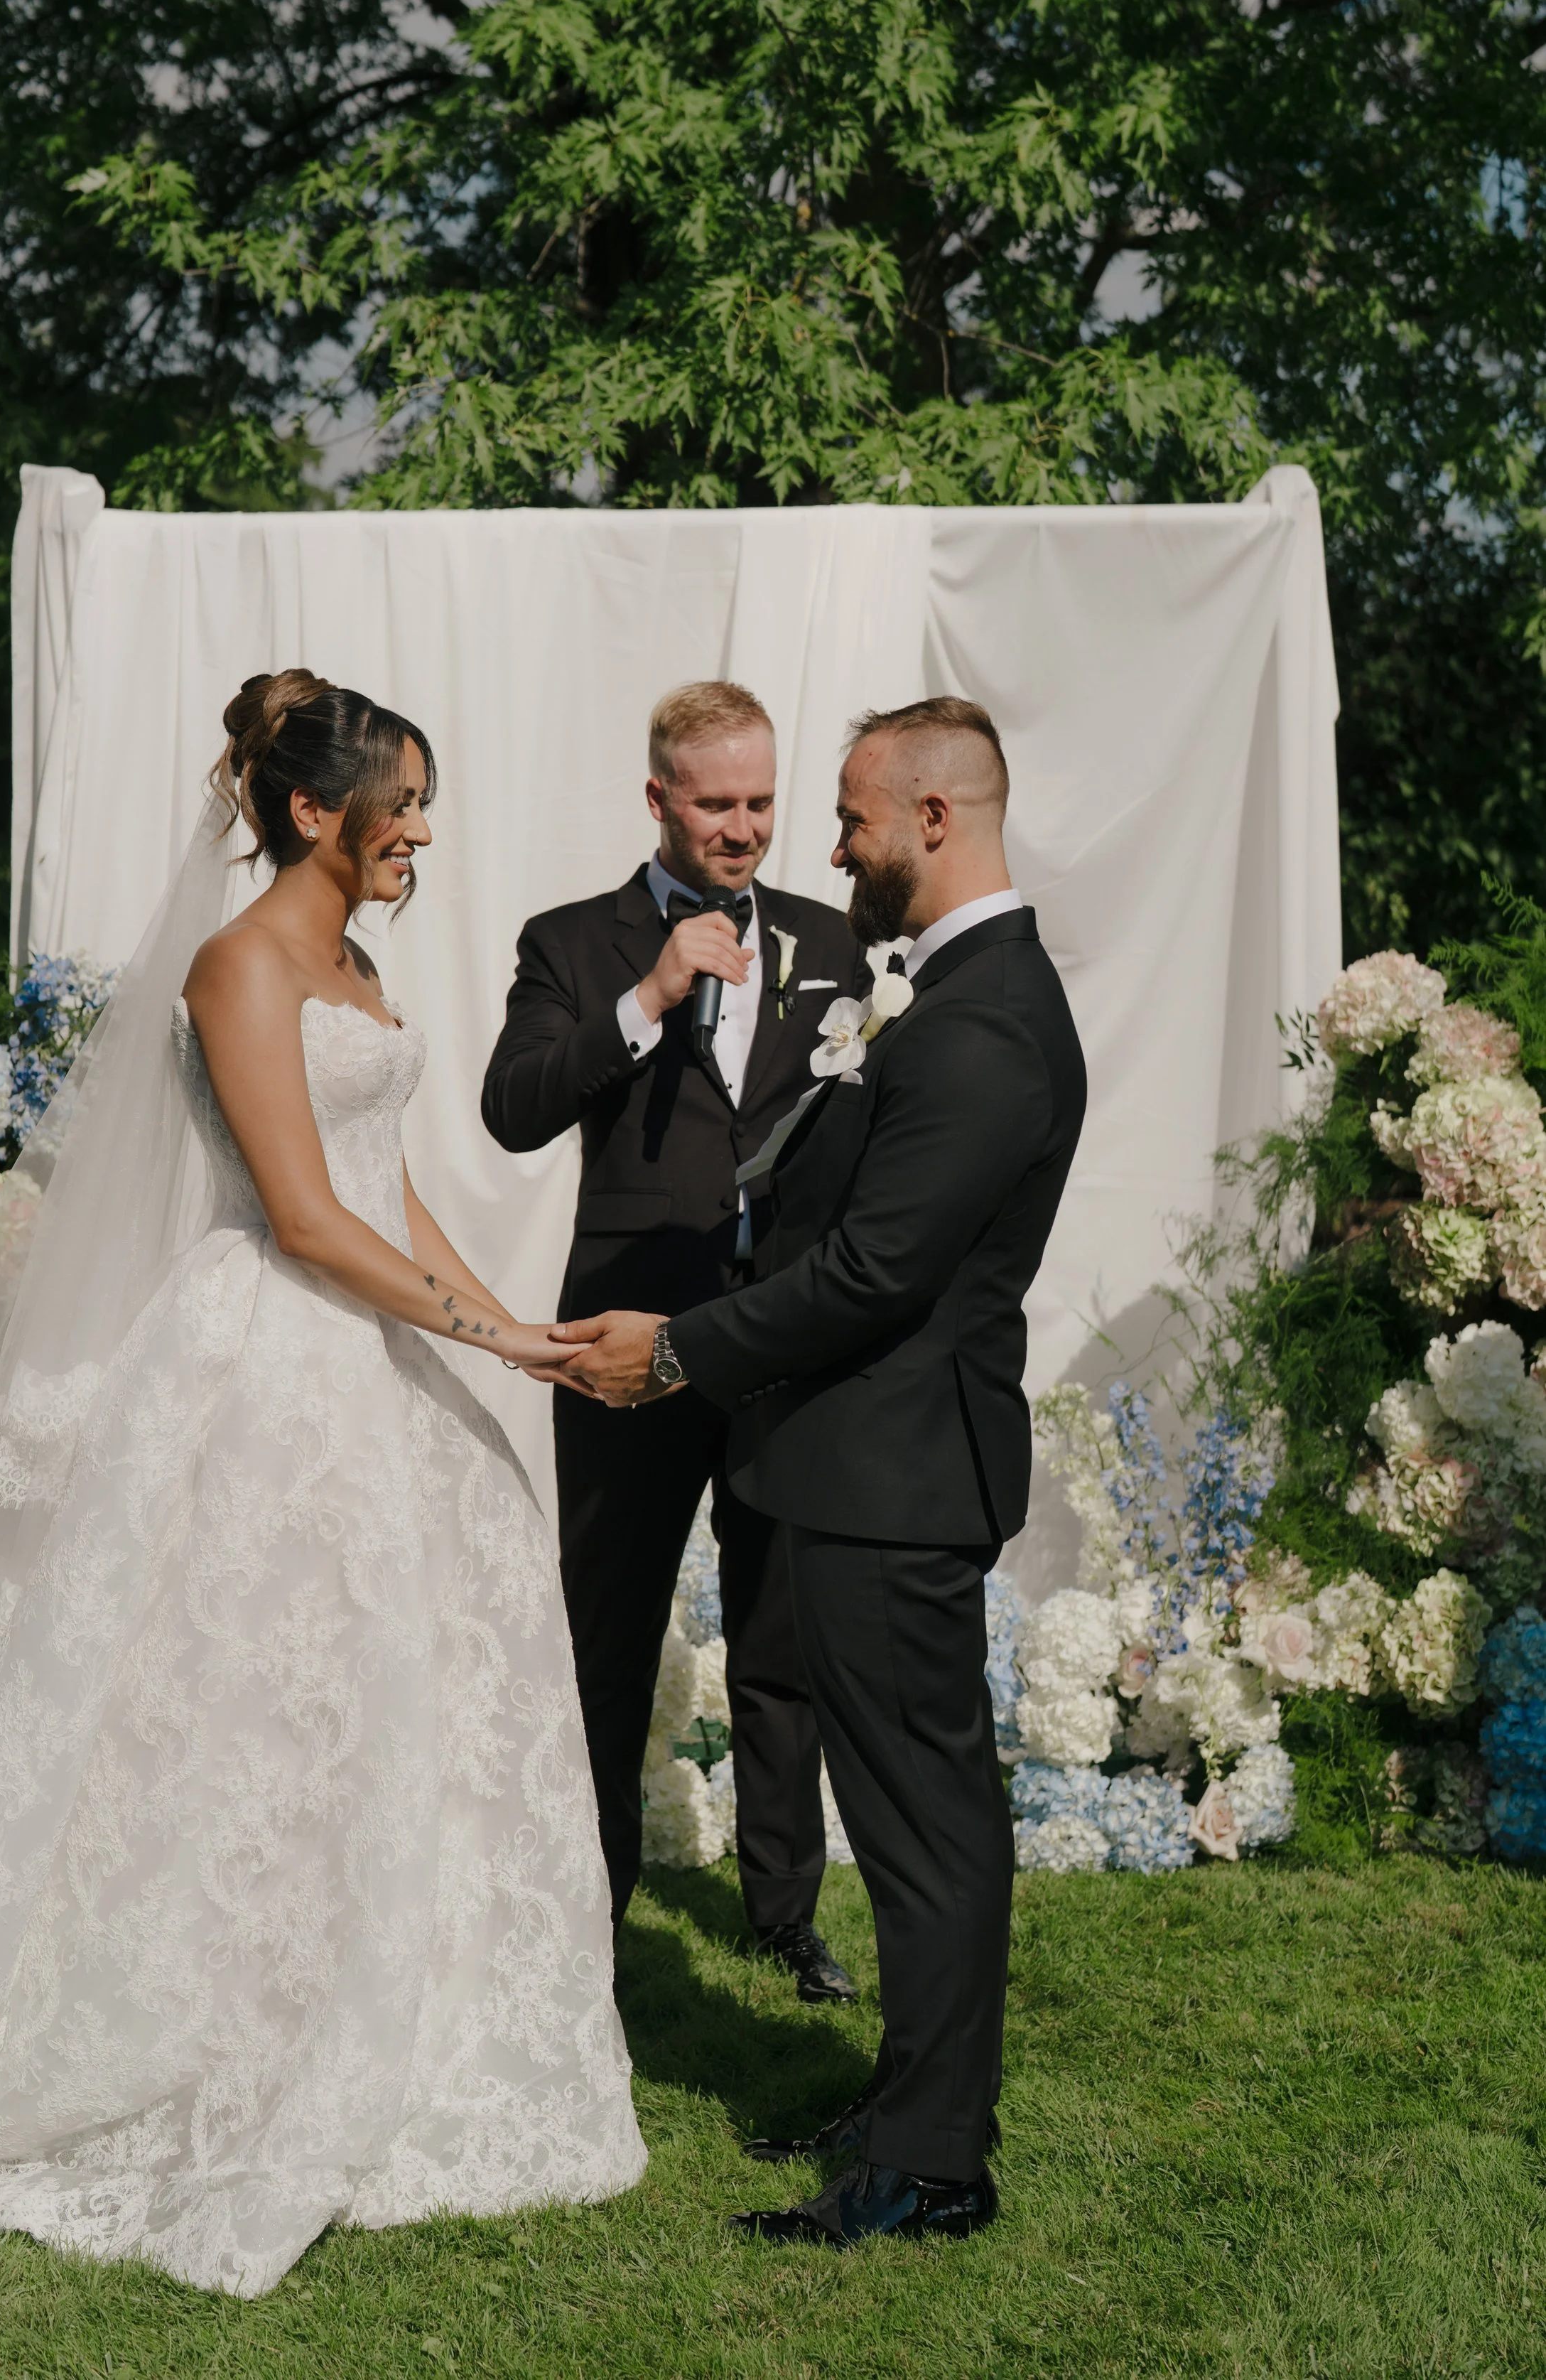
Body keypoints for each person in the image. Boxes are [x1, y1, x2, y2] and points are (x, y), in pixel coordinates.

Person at [0, 671, 644, 2297]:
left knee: (411, 1680)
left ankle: (413, 2000)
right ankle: (221, 2025)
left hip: (374, 1348)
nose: (425, 833)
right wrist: (472, 1327)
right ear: (316, 812)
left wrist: (507, 1335)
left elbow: (388, 1188)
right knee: (252, 1704)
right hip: (273, 1370)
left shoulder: (356, 963)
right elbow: (307, 1220)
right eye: (408, 805)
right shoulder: (236, 966)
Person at [554, 696, 1087, 2250]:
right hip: (855, 1468)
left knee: (923, 1829)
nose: (830, 847)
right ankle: (907, 2106)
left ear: (935, 818)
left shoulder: (986, 1019)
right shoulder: (943, 990)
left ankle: (930, 2165)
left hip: (892, 1479)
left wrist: (670, 1352)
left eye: (850, 817)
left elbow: (871, 1274)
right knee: (916, 1818)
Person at [482, 682, 867, 1998]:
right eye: (718, 802)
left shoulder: (834, 943)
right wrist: (648, 994)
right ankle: (587, 1909)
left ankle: (786, 1912)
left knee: (781, 1634)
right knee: (607, 1627)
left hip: (780, 1340)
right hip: (620, 1342)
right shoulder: (574, 942)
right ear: (658, 799)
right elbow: (513, 1109)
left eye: (763, 800)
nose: (746, 826)